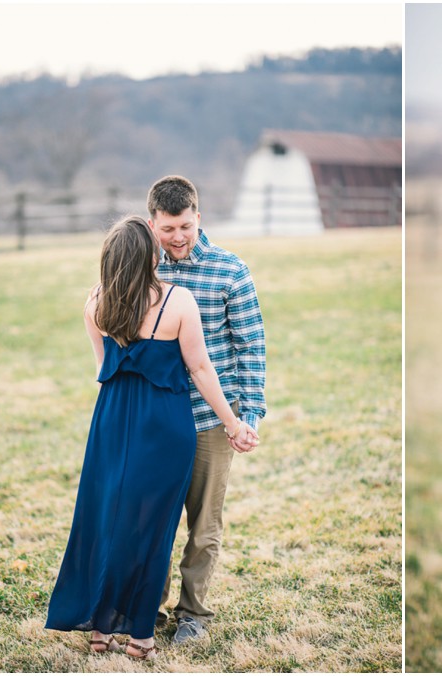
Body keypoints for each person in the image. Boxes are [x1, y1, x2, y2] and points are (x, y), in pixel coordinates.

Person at [45, 216, 256, 660]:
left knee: (110, 521)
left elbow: (104, 370)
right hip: (165, 426)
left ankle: (101, 631)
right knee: (157, 531)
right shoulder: (179, 301)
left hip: (112, 424)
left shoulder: (95, 305)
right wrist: (234, 423)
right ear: (150, 255)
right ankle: (141, 638)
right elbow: (200, 370)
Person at [146, 175, 267, 644]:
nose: (177, 237)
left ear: (199, 217)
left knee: (204, 523)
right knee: (152, 518)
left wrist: (248, 416)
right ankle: (147, 609)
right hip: (155, 417)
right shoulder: (142, 267)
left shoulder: (230, 270)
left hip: (211, 420)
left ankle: (193, 614)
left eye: (185, 227)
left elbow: (251, 346)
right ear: (152, 222)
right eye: (167, 228)